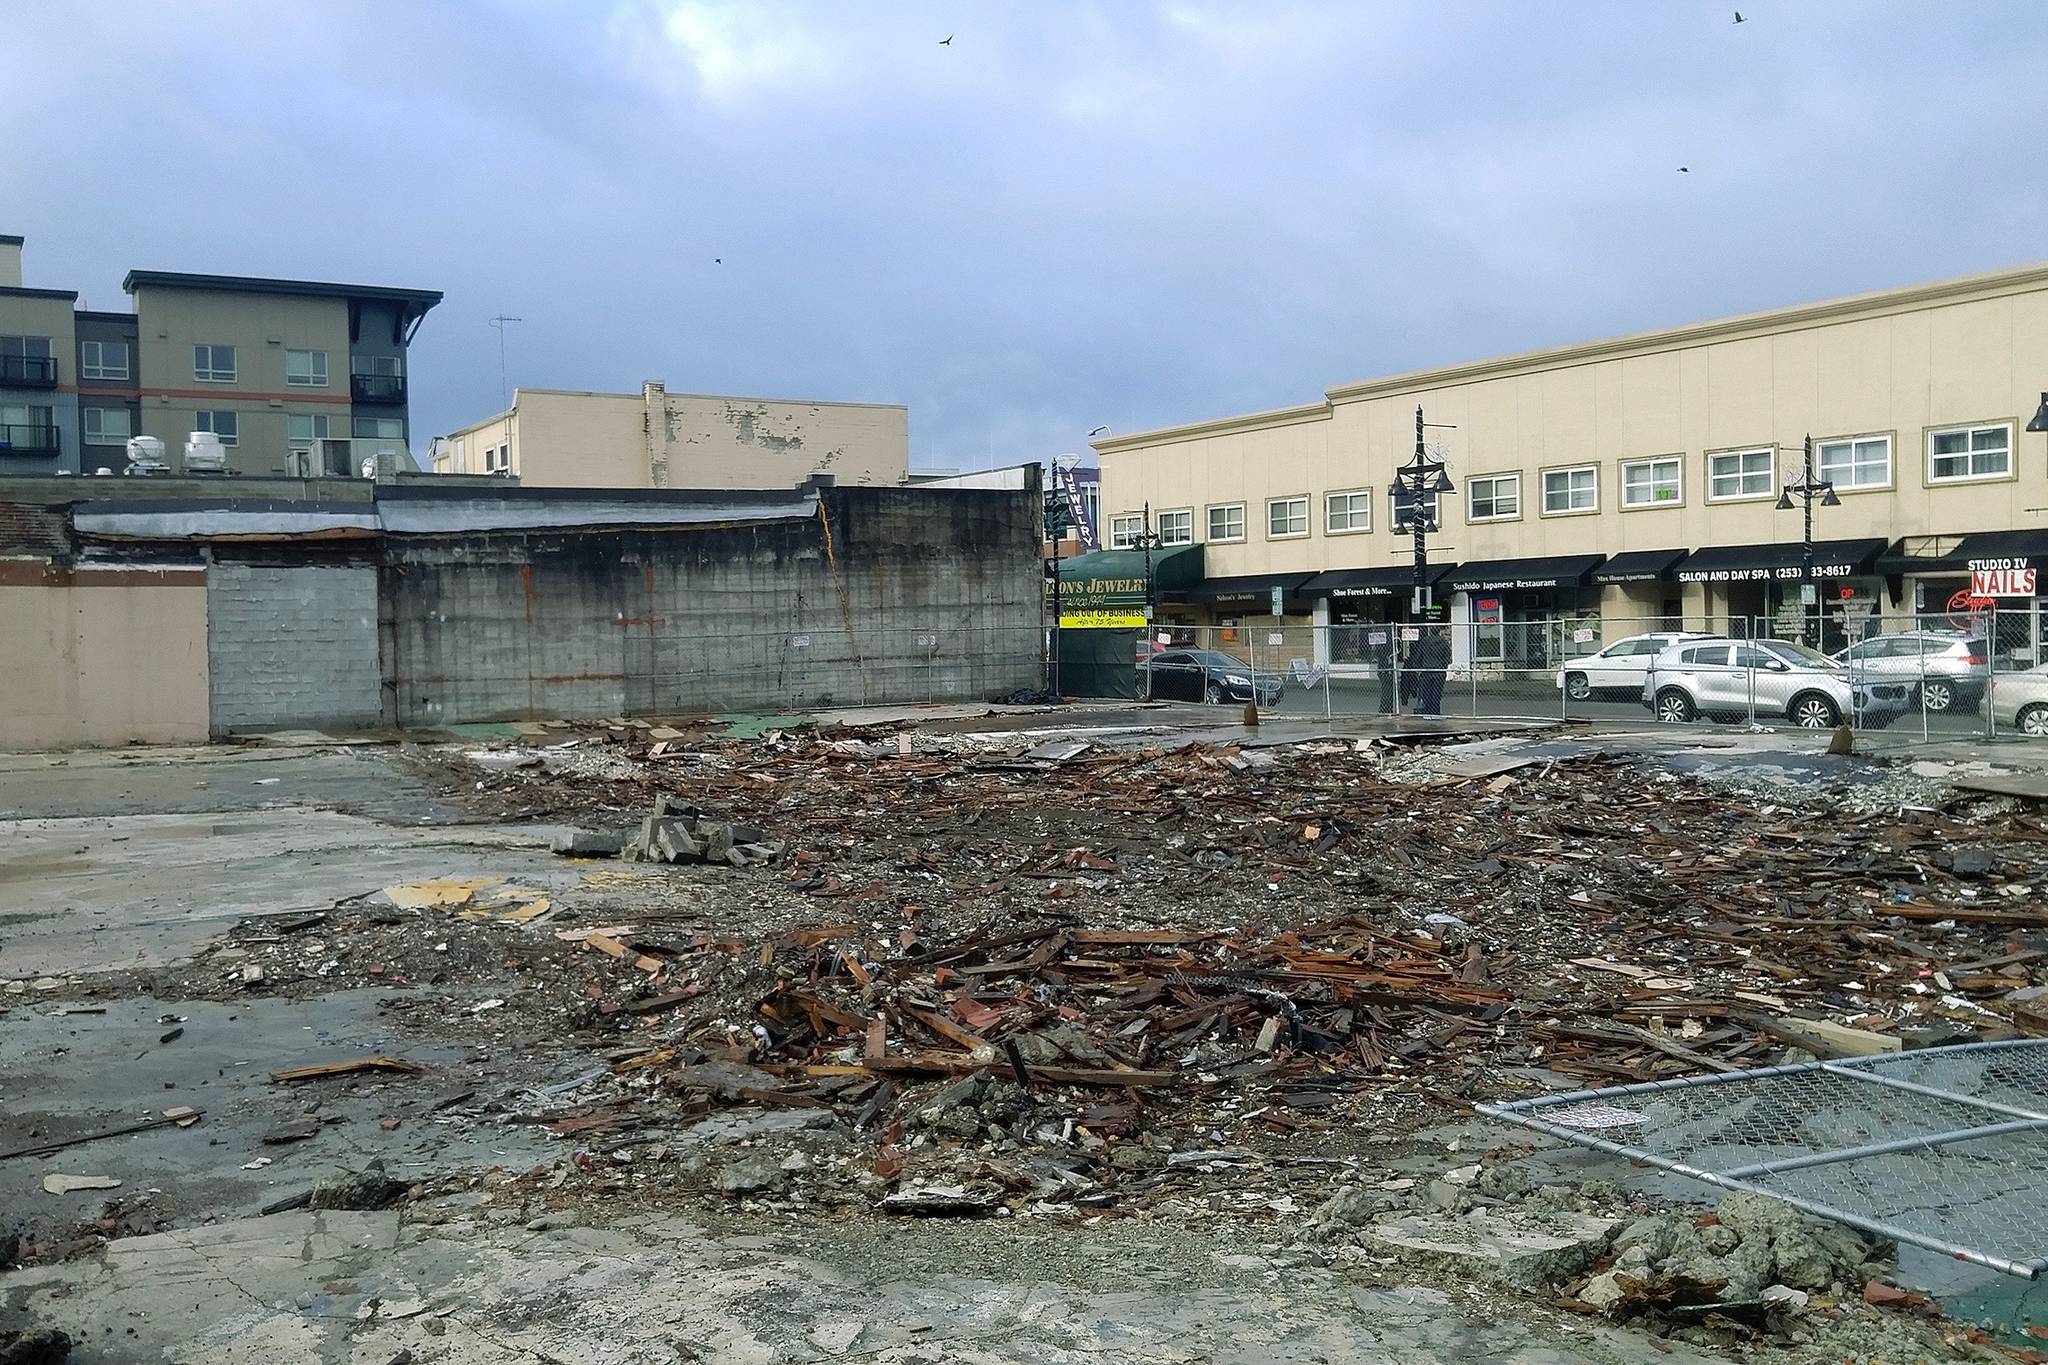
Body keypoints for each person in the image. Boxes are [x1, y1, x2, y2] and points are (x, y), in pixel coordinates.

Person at [1414, 629, 1450, 716]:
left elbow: (1419, 655)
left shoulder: (1424, 641)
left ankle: (1427, 710)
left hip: (1426, 669)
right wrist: (1444, 666)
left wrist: (1417, 666)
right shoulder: (1443, 642)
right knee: (1437, 691)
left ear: (1430, 631)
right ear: (1439, 631)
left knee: (1426, 691)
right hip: (1439, 670)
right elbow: (1447, 657)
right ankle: (1435, 711)